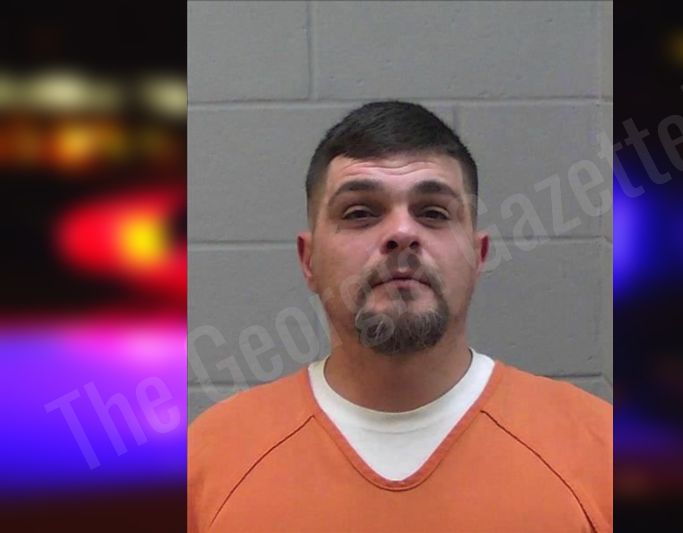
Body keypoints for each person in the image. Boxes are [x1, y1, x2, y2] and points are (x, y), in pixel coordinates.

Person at [188, 101, 612, 532]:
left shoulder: (600, 451)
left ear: (478, 256)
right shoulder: (209, 461)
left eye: (433, 213)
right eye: (360, 213)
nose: (402, 233)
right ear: (308, 260)